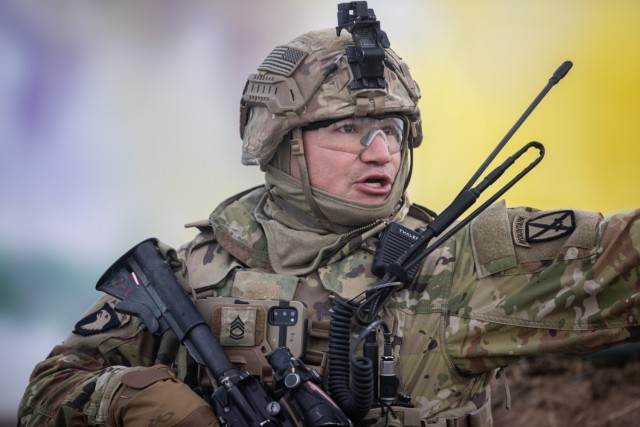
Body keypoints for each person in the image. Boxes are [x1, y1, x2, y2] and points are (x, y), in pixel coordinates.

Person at [18, 2, 640, 426]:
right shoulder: (186, 278)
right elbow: (48, 390)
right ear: (282, 145)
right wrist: (146, 402)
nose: (382, 153)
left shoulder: (464, 259)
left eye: (393, 130)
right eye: (348, 128)